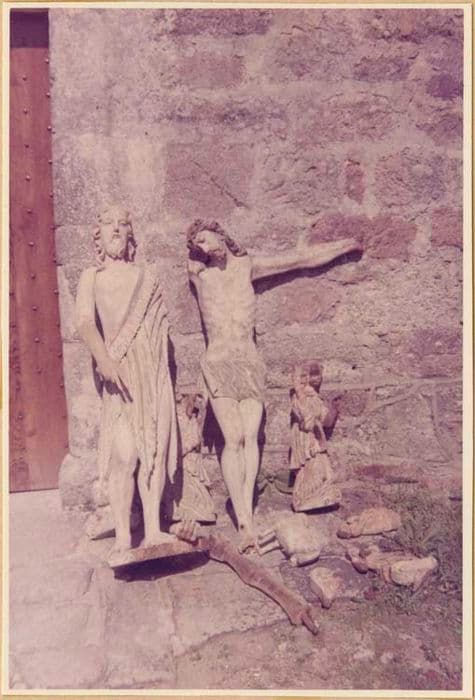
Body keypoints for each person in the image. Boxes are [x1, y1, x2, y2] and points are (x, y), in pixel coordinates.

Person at [187, 219, 362, 551]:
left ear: (221, 234)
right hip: (218, 364)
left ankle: (246, 513)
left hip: (249, 364)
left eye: (206, 240)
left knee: (251, 437)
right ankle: (242, 519)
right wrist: (195, 251)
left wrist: (345, 245)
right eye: (198, 245)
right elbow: (193, 260)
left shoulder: (248, 267)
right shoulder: (200, 275)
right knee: (233, 438)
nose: (204, 248)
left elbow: (299, 259)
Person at [75, 205, 177, 553]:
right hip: (119, 375)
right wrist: (105, 361)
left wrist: (158, 372)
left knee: (154, 450)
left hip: (152, 373)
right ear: (99, 236)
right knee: (125, 453)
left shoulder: (146, 277)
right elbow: (84, 323)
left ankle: (153, 531)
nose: (116, 229)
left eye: (122, 224)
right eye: (108, 223)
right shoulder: (92, 276)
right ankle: (122, 536)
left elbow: (161, 325)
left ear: (130, 234)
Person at [290, 362, 341, 512]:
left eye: (319, 375)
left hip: (316, 437)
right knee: (309, 467)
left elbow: (326, 421)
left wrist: (333, 408)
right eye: (313, 374)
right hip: (306, 437)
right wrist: (299, 390)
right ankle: (304, 500)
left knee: (323, 469)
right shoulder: (299, 396)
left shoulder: (316, 398)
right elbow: (305, 419)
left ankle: (321, 498)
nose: (317, 378)